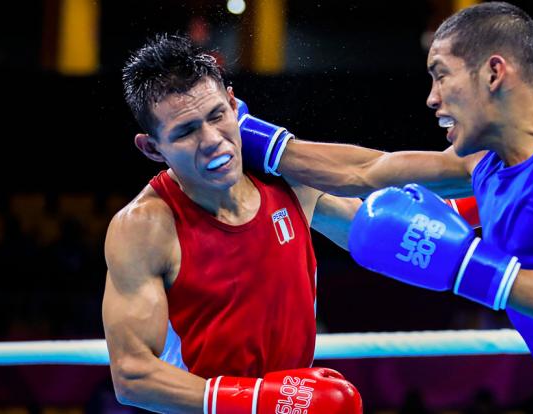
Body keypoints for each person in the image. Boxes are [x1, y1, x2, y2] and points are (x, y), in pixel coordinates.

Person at [234, 2, 533, 412]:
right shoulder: (489, 168)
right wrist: (245, 134)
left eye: (441, 74)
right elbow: (369, 170)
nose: (432, 97)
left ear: (494, 73)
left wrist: (465, 267)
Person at [102, 34, 363, 414]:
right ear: (152, 148)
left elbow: (377, 236)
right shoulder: (144, 227)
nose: (212, 141)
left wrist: (474, 196)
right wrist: (258, 401)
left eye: (217, 116)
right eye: (186, 131)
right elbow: (132, 377)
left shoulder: (288, 182)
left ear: (233, 103)